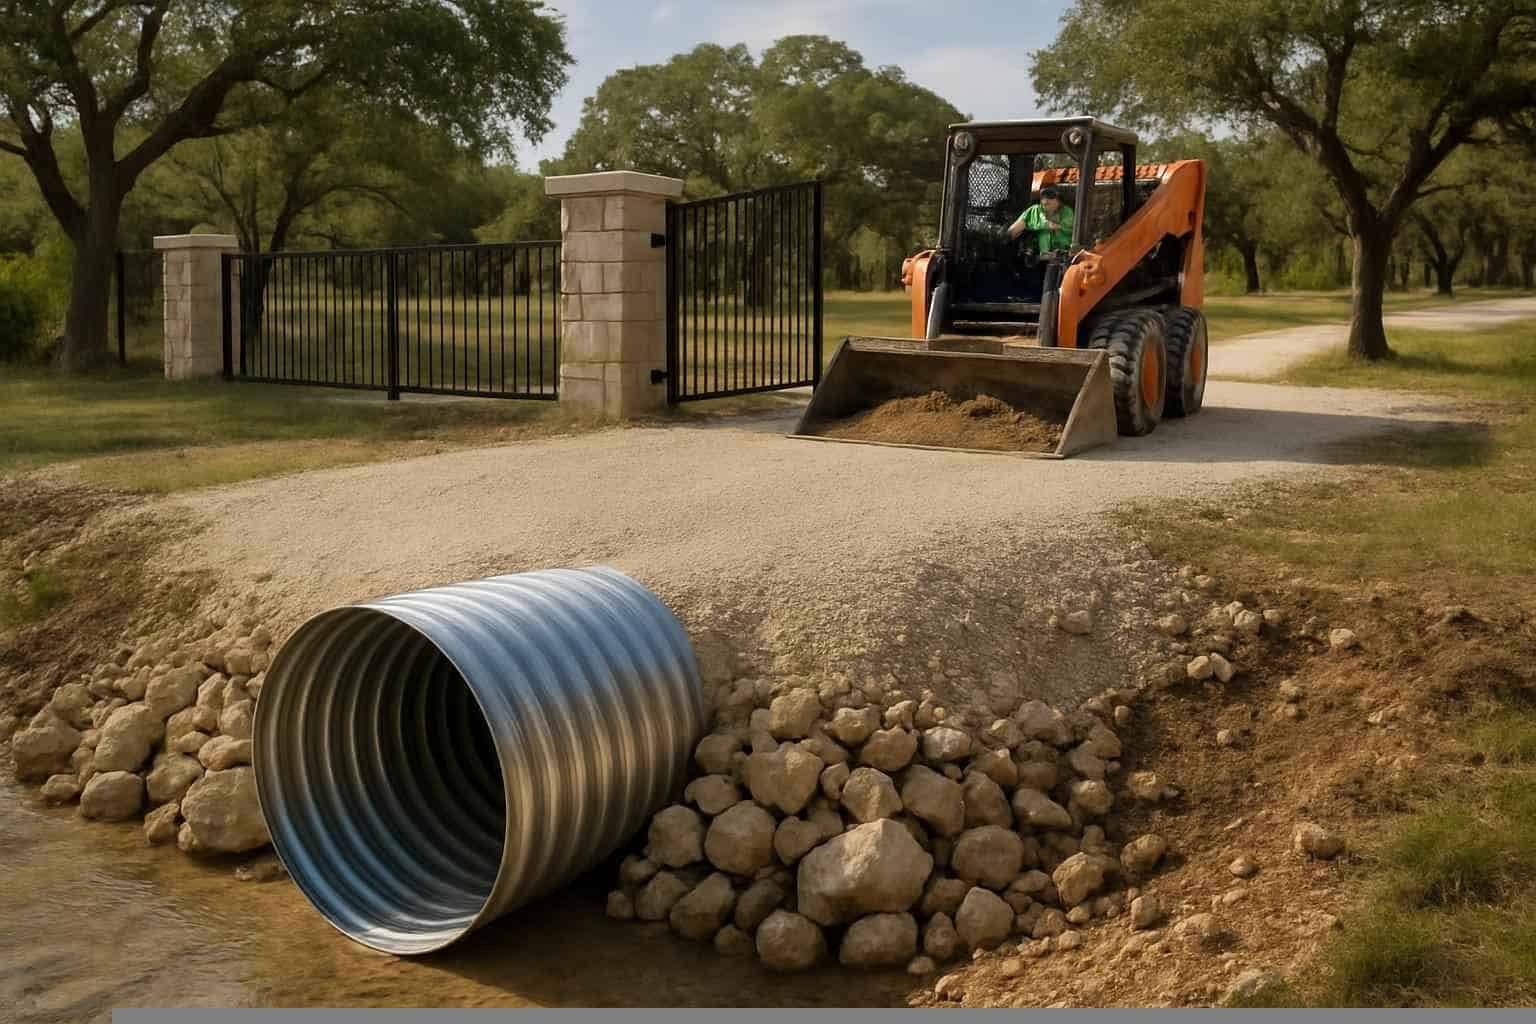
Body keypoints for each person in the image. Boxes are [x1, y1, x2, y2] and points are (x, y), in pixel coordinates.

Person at [1006, 186, 1074, 253]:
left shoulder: (1067, 212)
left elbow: (1069, 229)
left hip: (1064, 250)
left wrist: (1055, 226)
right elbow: (1014, 229)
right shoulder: (1036, 210)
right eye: (1044, 199)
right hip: (1041, 253)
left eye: (1050, 198)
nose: (1046, 201)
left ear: (1058, 201)